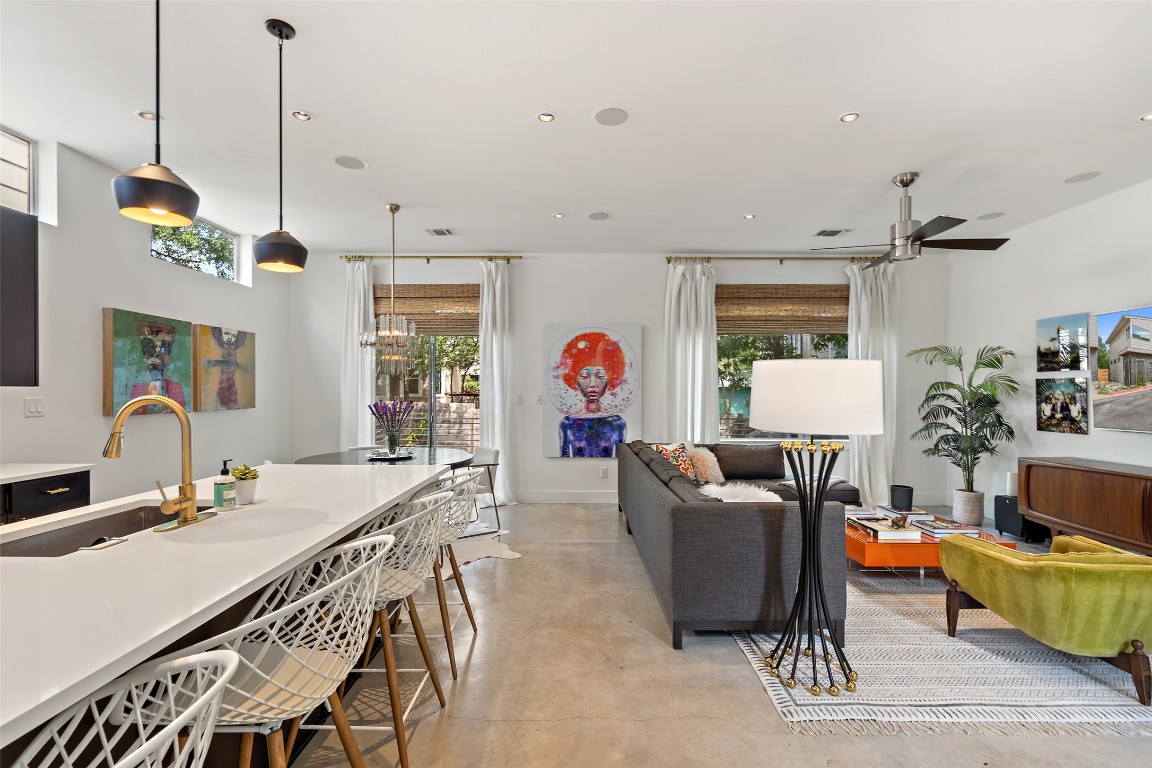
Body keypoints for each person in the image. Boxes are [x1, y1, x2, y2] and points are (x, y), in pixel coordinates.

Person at [555, 332, 629, 457]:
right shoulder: (568, 424)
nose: (592, 384)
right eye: (585, 376)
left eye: (600, 376)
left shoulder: (617, 424)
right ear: (575, 382)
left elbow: (620, 462)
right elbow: (565, 459)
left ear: (608, 382)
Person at [129, 320, 186, 414]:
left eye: (164, 347)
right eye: (149, 346)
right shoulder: (137, 388)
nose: (156, 353)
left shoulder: (176, 389)